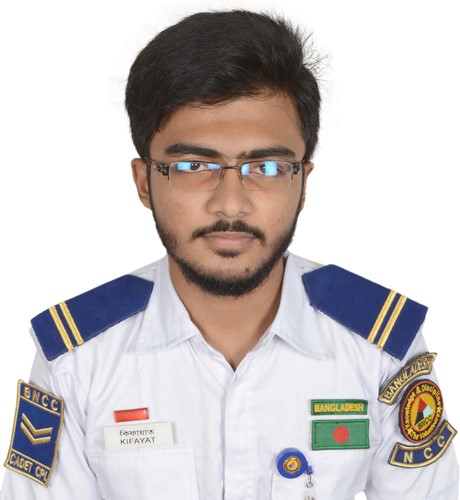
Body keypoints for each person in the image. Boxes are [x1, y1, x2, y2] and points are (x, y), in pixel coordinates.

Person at [1, 8, 458, 499]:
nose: (231, 204)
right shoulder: (76, 358)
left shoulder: (380, 345)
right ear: (145, 182)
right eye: (193, 165)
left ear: (303, 183)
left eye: (267, 167)